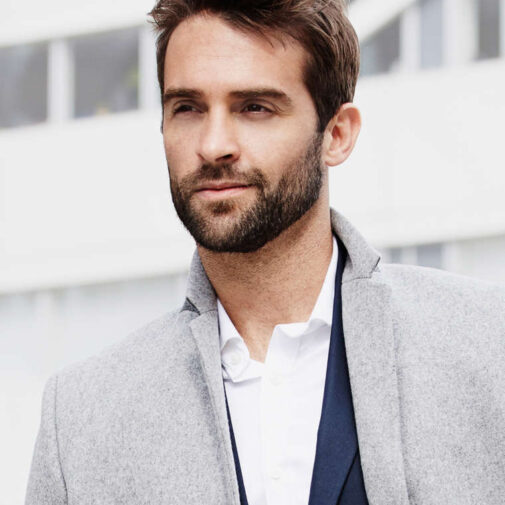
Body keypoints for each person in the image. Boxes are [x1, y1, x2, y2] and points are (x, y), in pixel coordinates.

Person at [26, 1, 505, 504]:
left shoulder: (487, 345)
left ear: (336, 134)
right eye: (187, 108)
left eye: (255, 107)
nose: (213, 145)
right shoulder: (81, 421)